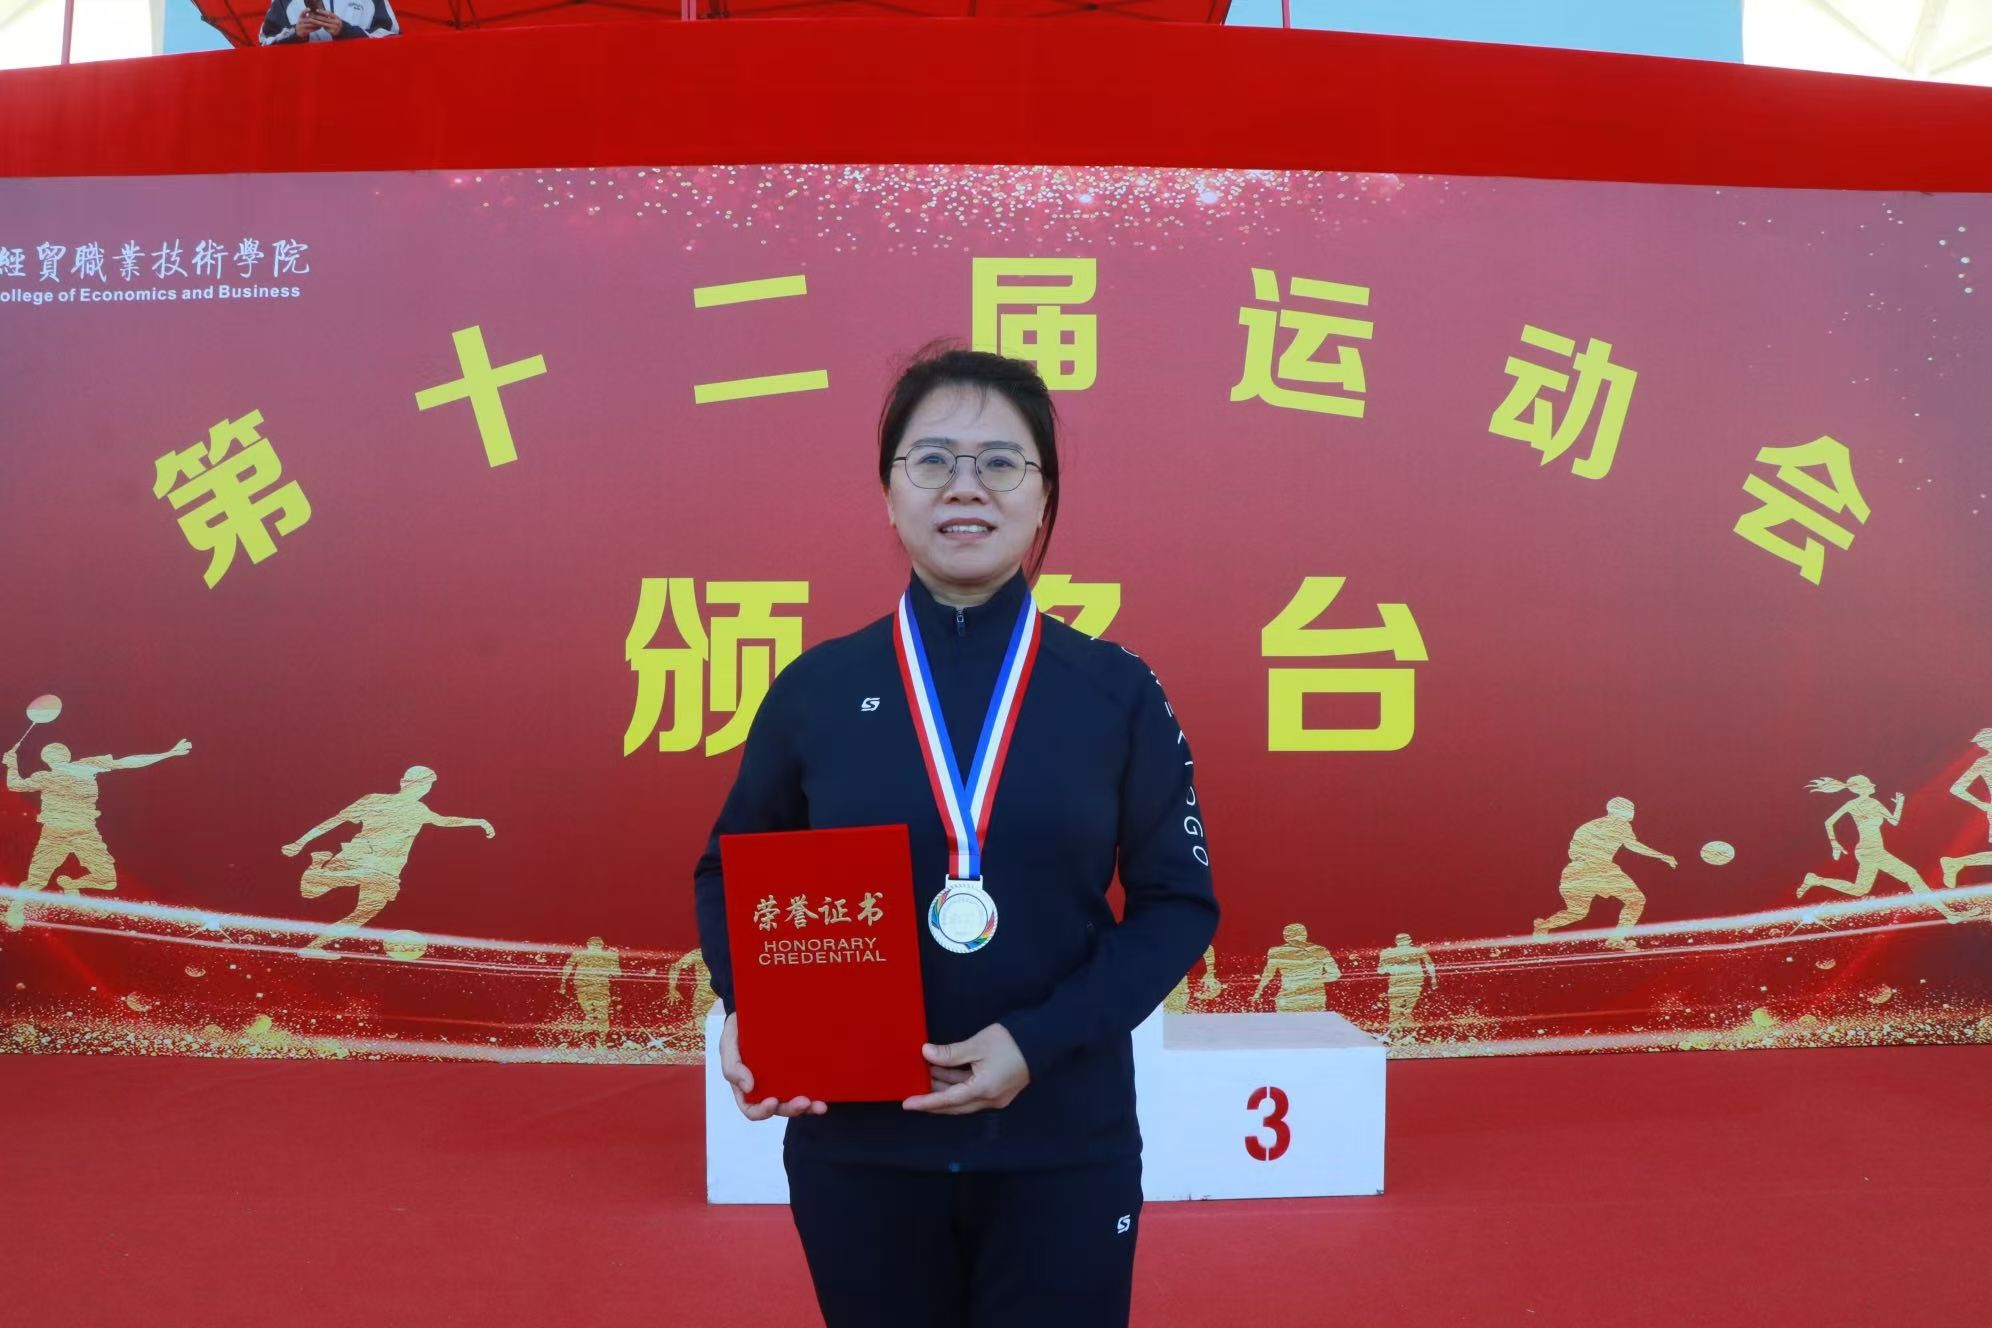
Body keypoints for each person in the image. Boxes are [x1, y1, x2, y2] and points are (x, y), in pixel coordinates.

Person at [691, 345, 1218, 1327]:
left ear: (1043, 497)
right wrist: (746, 1005)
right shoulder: (814, 691)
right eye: (931, 460)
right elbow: (728, 870)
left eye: (1000, 462)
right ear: (889, 496)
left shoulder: (1115, 692)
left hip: (1062, 1138)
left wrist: (1036, 1041)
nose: (964, 486)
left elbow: (1176, 903)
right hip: (861, 1145)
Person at [283, 764, 494, 955]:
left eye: (427, 786)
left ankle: (313, 947)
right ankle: (320, 870)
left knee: (364, 911)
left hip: (386, 869)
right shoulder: (374, 800)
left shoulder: (419, 810)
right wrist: (300, 842)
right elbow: (335, 821)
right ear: (405, 783)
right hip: (359, 857)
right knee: (310, 892)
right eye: (422, 784)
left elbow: (445, 821)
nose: (424, 789)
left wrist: (478, 822)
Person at [3, 735, 191, 932]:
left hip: (85, 834)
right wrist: (167, 754)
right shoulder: (48, 776)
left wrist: (167, 754)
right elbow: (128, 761)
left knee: (107, 881)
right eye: (54, 754)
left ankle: (70, 884)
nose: (57, 756)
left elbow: (128, 762)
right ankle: (17, 908)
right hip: (55, 834)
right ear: (52, 759)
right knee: (38, 880)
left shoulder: (85, 766)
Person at [1797, 774, 1969, 922]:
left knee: (1860, 889)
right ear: (1861, 789)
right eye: (1869, 785)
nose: (1873, 786)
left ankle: (1815, 880)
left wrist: (1899, 804)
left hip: (1873, 851)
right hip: (1870, 851)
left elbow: (1894, 821)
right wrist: (1835, 844)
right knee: (1912, 876)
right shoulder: (1852, 804)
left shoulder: (1875, 803)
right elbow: (1829, 822)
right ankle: (1949, 914)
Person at [1534, 796, 1676, 950]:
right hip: (1597, 870)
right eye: (1631, 809)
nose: (1633, 813)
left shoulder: (1588, 826)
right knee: (1636, 900)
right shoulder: (1621, 825)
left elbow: (1574, 851)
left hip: (1574, 872)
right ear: (1622, 811)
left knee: (1577, 912)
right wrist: (1662, 856)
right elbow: (1633, 845)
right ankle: (1615, 940)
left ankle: (1543, 926)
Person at [259, 0, 400, 45]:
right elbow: (264, 43)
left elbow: (393, 38)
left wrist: (346, 31)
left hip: (359, 81)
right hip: (305, 87)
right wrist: (295, 33)